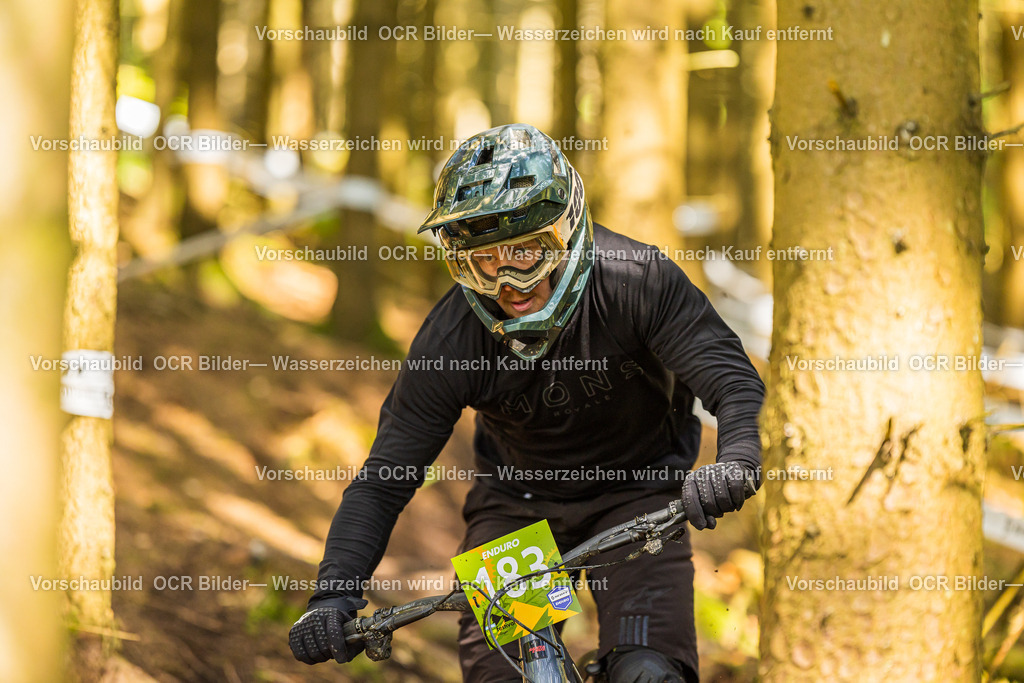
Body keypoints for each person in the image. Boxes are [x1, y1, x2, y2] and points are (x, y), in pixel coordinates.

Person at [288, 123, 764, 682]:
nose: (508, 279)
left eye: (523, 251)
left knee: (648, 673)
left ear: (563, 232)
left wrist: (736, 457)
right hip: (520, 507)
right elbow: (386, 475)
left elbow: (732, 379)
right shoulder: (454, 337)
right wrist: (334, 591)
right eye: (485, 259)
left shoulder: (637, 280)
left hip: (640, 497)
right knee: (510, 677)